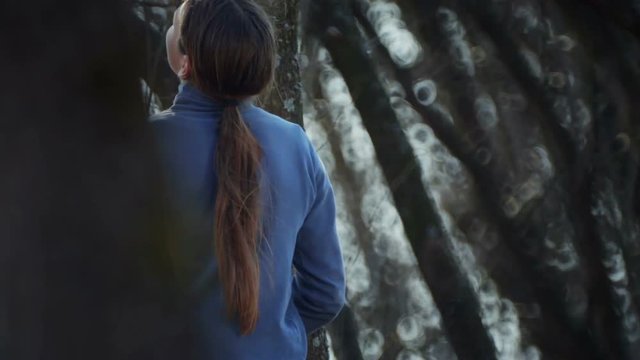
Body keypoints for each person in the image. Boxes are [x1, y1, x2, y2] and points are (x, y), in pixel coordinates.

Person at [150, 0, 346, 359]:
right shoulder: (295, 145)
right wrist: (269, 336)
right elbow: (327, 292)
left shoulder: (144, 146)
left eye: (175, 24)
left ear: (185, 61)